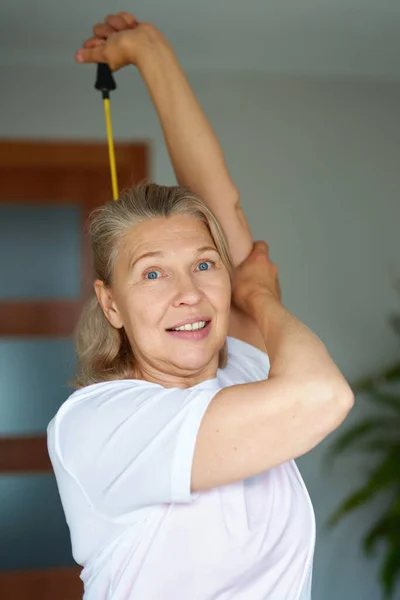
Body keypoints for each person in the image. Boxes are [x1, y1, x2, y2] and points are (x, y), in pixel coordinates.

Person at [47, 12, 354, 600]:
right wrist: (259, 294)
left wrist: (152, 53)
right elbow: (324, 396)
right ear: (110, 305)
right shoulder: (101, 424)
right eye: (153, 273)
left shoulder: (238, 370)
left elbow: (223, 208)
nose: (188, 291)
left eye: (204, 265)